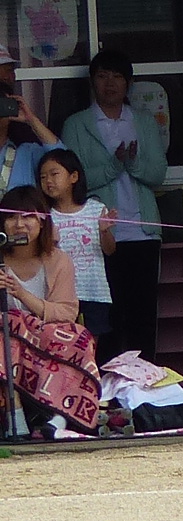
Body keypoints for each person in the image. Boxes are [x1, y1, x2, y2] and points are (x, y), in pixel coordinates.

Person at [59, 49, 166, 365]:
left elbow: (158, 174)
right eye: (102, 76)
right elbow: (73, 181)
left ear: (128, 83)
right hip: (98, 236)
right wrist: (113, 165)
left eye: (117, 77)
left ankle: (144, 382)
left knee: (143, 314)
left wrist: (131, 162)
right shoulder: (77, 124)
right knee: (106, 317)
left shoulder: (143, 122)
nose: (110, 83)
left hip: (143, 232)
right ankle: (106, 384)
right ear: (92, 82)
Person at [2, 183, 95, 438]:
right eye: (11, 217)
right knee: (6, 334)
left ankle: (59, 419)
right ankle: (15, 416)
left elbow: (67, 312)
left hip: (45, 334)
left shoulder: (59, 260)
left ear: (42, 220)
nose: (19, 224)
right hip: (8, 337)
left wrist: (21, 294)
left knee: (80, 338)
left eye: (28, 216)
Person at [36, 148, 112, 346]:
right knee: (62, 345)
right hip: (59, 294)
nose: (48, 181)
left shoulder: (96, 209)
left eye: (54, 174)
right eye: (43, 177)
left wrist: (104, 232)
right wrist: (50, 243)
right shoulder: (45, 215)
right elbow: (41, 256)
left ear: (74, 177)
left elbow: (110, 250)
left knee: (89, 346)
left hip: (94, 291)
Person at [0, 43, 63, 194]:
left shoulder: (26, 152)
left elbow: (64, 162)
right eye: (6, 70)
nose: (10, 77)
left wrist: (31, 119)